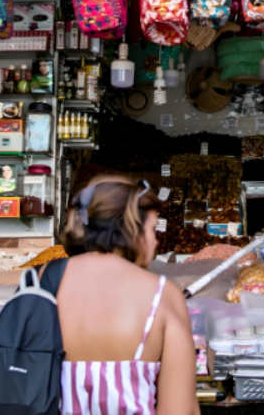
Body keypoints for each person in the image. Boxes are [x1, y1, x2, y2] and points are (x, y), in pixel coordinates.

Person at [54, 176, 198, 415]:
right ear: (131, 228)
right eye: (152, 229)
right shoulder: (161, 294)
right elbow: (180, 410)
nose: (156, 240)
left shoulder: (38, 283)